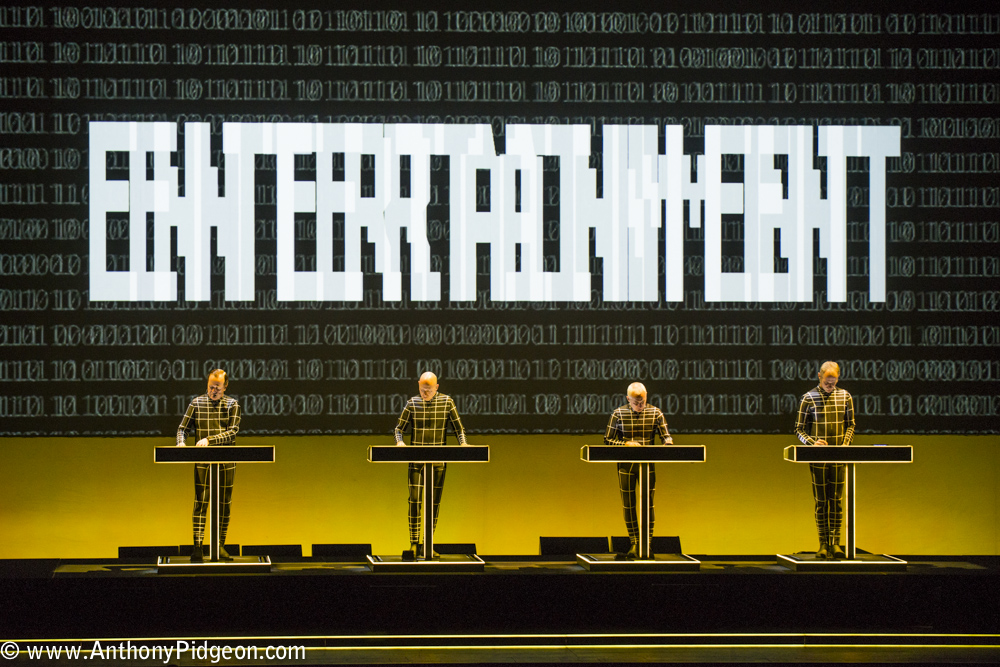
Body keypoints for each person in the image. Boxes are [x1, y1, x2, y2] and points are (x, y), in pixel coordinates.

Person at [393, 372, 468, 555]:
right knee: (414, 500)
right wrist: (399, 442)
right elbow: (398, 429)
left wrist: (463, 444)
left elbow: (459, 428)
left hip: (438, 460)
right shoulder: (412, 403)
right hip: (416, 459)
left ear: (437, 387)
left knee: (434, 503)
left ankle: (428, 543)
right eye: (422, 389)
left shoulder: (447, 402)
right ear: (418, 385)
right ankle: (414, 542)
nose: (425, 393)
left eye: (428, 390)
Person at [176, 369, 241, 562]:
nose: (213, 391)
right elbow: (183, 428)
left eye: (217, 388)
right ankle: (198, 547)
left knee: (224, 504)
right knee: (201, 502)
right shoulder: (196, 403)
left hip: (226, 460)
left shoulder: (232, 404)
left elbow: (233, 432)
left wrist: (209, 440)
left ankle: (219, 545)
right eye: (211, 387)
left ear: (225, 386)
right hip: (203, 461)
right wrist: (181, 442)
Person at [604, 382, 673, 559]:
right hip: (626, 465)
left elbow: (666, 435)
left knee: (648, 504)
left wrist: (668, 442)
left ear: (646, 396)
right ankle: (634, 542)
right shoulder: (618, 413)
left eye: (642, 401)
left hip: (647, 464)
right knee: (628, 504)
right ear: (628, 399)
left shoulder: (655, 412)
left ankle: (647, 544)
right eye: (636, 402)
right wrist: (625, 443)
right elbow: (608, 440)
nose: (639, 406)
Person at [794, 361, 855, 559]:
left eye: (834, 381)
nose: (830, 385)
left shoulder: (845, 396)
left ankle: (836, 543)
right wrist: (812, 443)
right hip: (818, 457)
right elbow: (799, 430)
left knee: (836, 500)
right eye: (827, 382)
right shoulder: (808, 398)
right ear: (819, 377)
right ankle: (822, 543)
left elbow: (851, 425)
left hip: (838, 456)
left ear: (838, 378)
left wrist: (845, 445)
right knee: (821, 501)